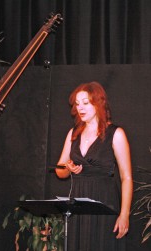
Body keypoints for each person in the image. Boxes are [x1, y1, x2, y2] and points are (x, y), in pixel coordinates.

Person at [55, 82, 133, 251]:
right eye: (77, 104)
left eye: (85, 103)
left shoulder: (116, 133)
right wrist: (68, 168)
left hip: (104, 202)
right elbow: (59, 171)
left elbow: (126, 177)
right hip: (78, 203)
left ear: (99, 103)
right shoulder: (73, 133)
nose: (80, 108)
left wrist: (124, 214)